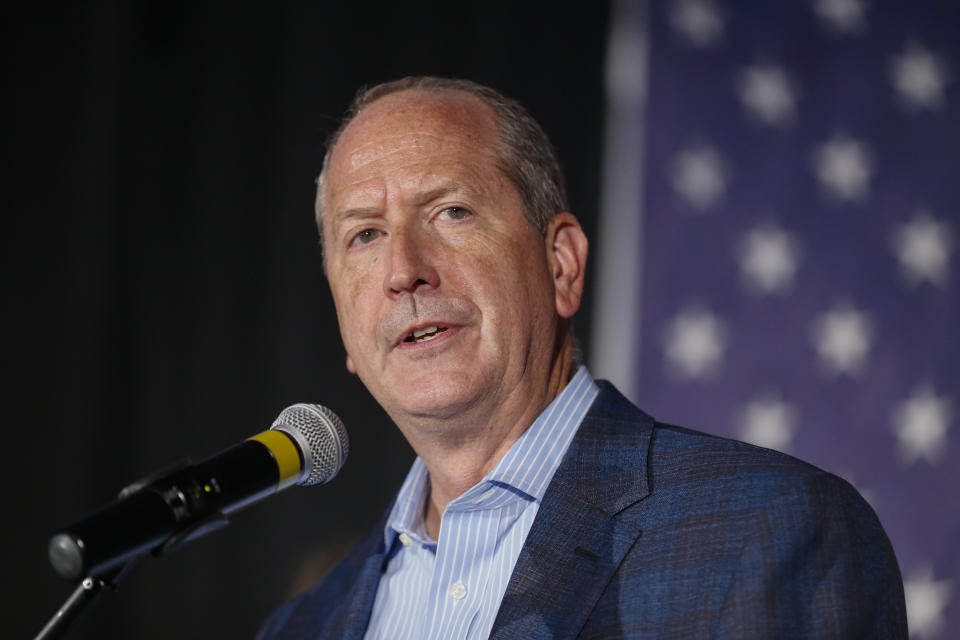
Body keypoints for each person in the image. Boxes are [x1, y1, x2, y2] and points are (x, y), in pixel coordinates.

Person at [258, 77, 907, 639]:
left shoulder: (770, 532)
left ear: (561, 263)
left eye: (451, 212)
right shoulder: (303, 626)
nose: (404, 271)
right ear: (345, 325)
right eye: (364, 235)